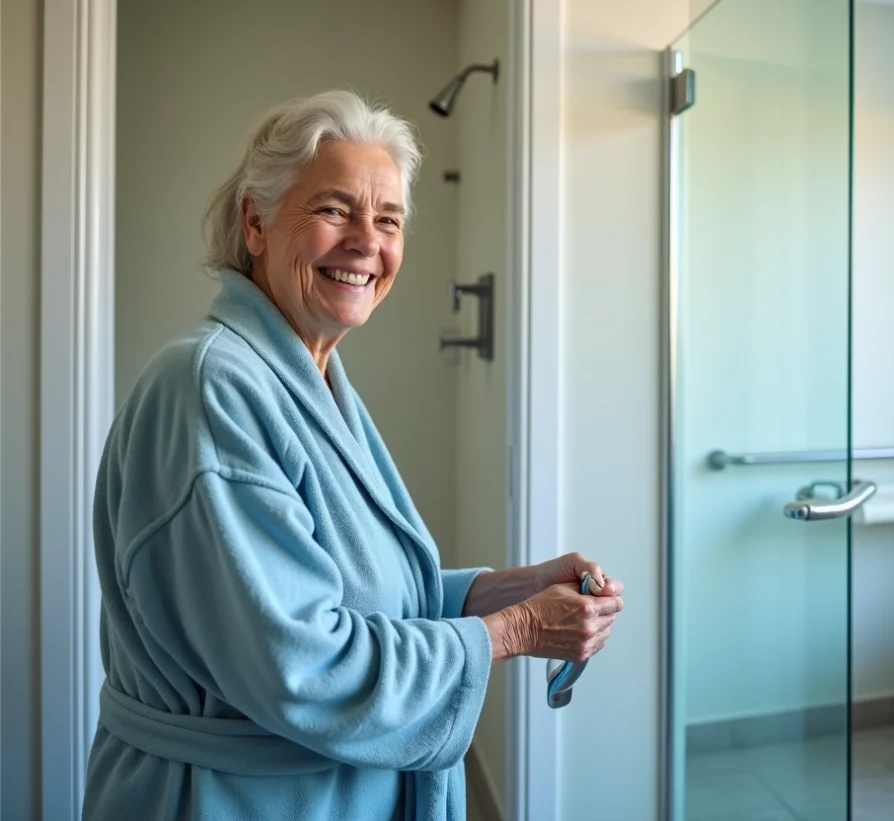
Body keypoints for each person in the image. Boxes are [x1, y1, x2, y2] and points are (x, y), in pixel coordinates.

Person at [82, 89, 623, 821]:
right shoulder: (211, 387)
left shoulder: (309, 378)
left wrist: (509, 590)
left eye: (389, 219)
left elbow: (360, 593)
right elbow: (303, 663)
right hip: (228, 799)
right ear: (256, 222)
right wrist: (516, 632)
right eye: (336, 209)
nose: (368, 241)